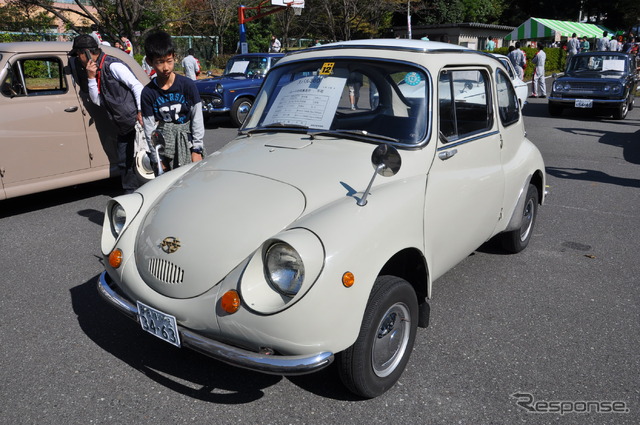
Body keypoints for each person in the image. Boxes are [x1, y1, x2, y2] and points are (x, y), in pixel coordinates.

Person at [68, 34, 145, 194]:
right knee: (125, 160)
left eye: (77, 55)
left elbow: (137, 86)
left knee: (141, 158)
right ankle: (132, 194)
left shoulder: (113, 66)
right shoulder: (95, 70)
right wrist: (90, 77)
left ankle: (140, 192)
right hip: (120, 123)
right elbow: (96, 100)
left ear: (86, 53)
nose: (77, 59)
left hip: (134, 120)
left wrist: (140, 111)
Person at [141, 31, 205, 171]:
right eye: (159, 62)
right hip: (164, 147)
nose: (166, 67)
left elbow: (197, 118)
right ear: (150, 62)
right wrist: (157, 157)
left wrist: (197, 148)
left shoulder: (187, 85)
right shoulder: (148, 93)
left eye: (169, 61)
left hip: (187, 144)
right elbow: (149, 128)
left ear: (174, 57)